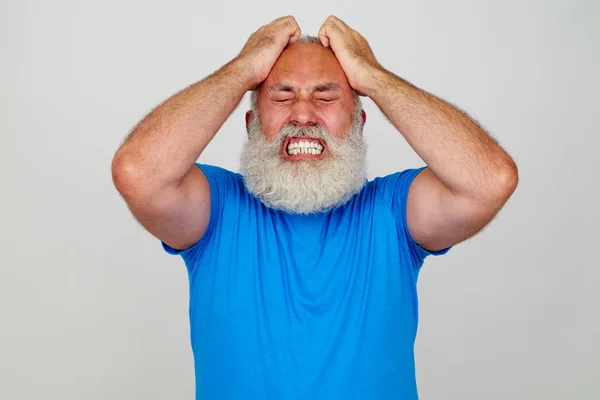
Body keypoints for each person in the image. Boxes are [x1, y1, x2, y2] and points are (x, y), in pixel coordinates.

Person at [112, 15, 518, 400]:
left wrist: (372, 76)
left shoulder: (392, 212)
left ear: (359, 122)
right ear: (251, 122)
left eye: (325, 96)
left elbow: (489, 181)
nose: (303, 114)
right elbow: (137, 172)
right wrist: (242, 69)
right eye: (282, 95)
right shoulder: (216, 209)